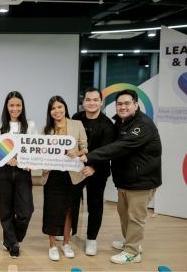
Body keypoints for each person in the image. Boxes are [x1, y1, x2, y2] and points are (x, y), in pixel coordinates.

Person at [80, 89, 162, 264]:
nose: (123, 107)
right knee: (124, 214)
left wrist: (89, 157)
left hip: (142, 180)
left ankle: (132, 252)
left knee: (135, 217)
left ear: (136, 104)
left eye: (127, 103)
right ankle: (131, 243)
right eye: (119, 104)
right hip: (125, 180)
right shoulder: (121, 123)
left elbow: (119, 147)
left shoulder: (142, 125)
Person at [41, 95, 93, 261]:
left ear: (65, 108)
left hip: (73, 176)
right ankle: (52, 246)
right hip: (53, 175)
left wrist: (76, 152)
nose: (57, 111)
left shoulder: (77, 124)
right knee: (52, 210)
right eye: (53, 108)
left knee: (70, 210)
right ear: (50, 112)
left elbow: (85, 148)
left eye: (59, 107)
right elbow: (41, 152)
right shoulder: (46, 129)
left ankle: (66, 243)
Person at [72, 88, 116, 256]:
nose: (91, 103)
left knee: (94, 206)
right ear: (83, 102)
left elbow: (108, 151)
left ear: (101, 102)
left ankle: (91, 239)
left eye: (95, 100)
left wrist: (94, 167)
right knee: (72, 202)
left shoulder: (107, 125)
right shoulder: (76, 118)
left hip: (96, 171)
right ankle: (70, 232)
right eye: (88, 100)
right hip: (75, 168)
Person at [0, 91, 36, 259]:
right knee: (6, 210)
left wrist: (26, 161)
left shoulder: (30, 125)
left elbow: (34, 148)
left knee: (26, 211)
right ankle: (13, 244)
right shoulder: (0, 125)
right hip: (4, 172)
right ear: (7, 106)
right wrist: (8, 158)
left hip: (23, 173)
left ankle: (13, 238)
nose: (15, 108)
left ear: (22, 106)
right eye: (11, 105)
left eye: (18, 105)